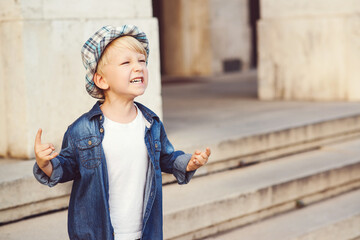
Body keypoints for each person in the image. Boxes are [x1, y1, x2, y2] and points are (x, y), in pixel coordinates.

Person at [33, 25, 211, 240]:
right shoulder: (82, 129)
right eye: (126, 62)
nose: (138, 67)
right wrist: (45, 164)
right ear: (101, 80)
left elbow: (166, 157)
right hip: (98, 233)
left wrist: (188, 162)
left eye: (142, 61)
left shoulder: (150, 123)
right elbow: (66, 167)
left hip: (142, 231)